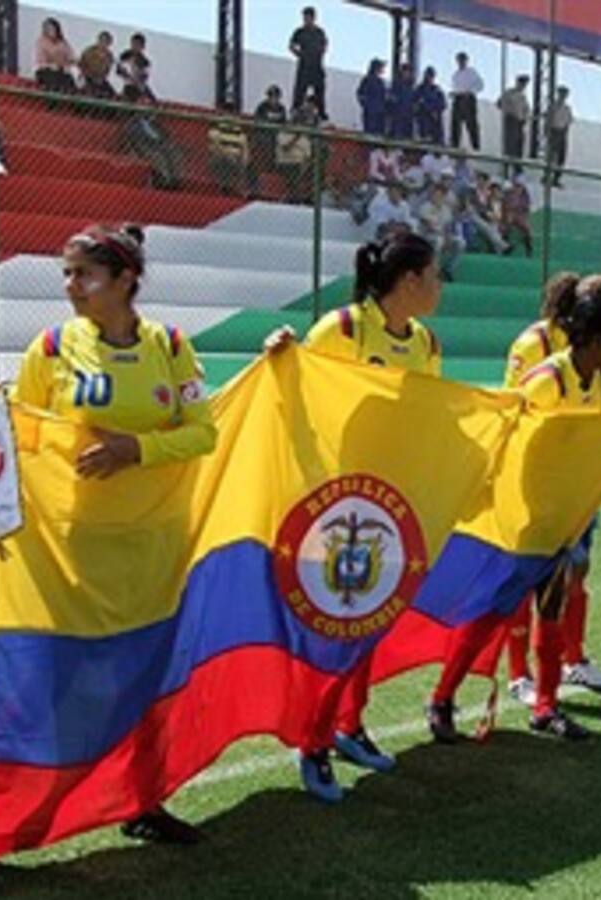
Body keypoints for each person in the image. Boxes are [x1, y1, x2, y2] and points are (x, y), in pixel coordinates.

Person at [0, 224, 217, 866]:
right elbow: (21, 429)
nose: (71, 287)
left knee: (146, 681)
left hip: (152, 551)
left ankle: (144, 804)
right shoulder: (52, 347)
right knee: (47, 689)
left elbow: (203, 433)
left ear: (125, 281)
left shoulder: (171, 347)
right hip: (70, 551)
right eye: (66, 274)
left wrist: (137, 448)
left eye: (84, 275)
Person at [264, 233, 441, 802]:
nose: (440, 287)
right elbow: (299, 397)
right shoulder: (340, 331)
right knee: (330, 627)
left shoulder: (426, 343)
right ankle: (312, 745)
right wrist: (279, 357)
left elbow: (428, 416)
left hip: (388, 506)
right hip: (333, 507)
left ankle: (349, 725)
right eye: (434, 275)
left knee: (369, 620)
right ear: (409, 281)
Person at [428, 275, 601, 743]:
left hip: (564, 521)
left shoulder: (596, 380)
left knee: (553, 612)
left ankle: (545, 706)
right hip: (524, 525)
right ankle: (441, 698)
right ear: (596, 339)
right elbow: (514, 445)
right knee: (489, 614)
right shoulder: (545, 381)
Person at [500, 272, 581, 705]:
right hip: (532, 476)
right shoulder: (534, 345)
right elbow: (514, 404)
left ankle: (573, 657)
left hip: (571, 479)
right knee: (526, 576)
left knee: (573, 570)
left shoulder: (583, 349)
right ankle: (517, 673)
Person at [121, 95, 181, 190]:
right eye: (144, 105)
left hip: (159, 147)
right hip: (143, 147)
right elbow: (133, 140)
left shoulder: (156, 124)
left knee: (175, 152)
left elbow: (166, 137)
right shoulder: (132, 123)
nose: (148, 108)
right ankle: (164, 181)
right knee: (157, 156)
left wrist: (164, 144)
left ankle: (174, 181)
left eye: (149, 106)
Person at [417, 182, 463, 281]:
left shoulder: (446, 209)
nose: (437, 197)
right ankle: (435, 271)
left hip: (441, 235)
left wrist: (448, 238)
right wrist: (444, 236)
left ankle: (448, 270)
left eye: (440, 195)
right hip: (426, 236)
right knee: (438, 241)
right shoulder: (425, 207)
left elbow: (448, 226)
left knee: (460, 243)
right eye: (435, 194)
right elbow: (429, 226)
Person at [290, 6, 328, 119]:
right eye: (304, 17)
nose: (306, 19)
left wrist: (319, 53)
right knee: (300, 90)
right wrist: (300, 54)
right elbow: (291, 45)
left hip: (316, 66)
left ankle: (321, 113)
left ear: (313, 18)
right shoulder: (299, 31)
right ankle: (295, 110)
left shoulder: (319, 32)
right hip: (304, 65)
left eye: (308, 17)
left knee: (319, 91)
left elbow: (325, 45)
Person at [276, 102, 316, 203]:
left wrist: (305, 165)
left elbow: (308, 155)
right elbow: (285, 147)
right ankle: (293, 199)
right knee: (294, 170)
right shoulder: (285, 130)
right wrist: (296, 136)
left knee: (313, 168)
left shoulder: (305, 136)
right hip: (286, 161)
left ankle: (310, 198)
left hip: (301, 163)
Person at [207, 117, 257, 197]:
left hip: (236, 158)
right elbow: (214, 148)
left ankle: (251, 193)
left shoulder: (240, 131)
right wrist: (226, 154)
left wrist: (245, 160)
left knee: (251, 166)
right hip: (220, 157)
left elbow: (245, 148)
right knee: (226, 161)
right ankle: (226, 189)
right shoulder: (216, 128)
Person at [34, 18, 77, 94]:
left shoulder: (63, 42)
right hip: (47, 71)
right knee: (52, 78)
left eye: (51, 28)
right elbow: (40, 61)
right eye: (47, 29)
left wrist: (71, 63)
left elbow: (71, 57)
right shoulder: (41, 42)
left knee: (69, 80)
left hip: (61, 71)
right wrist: (51, 66)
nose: (49, 30)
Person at [450, 52, 483, 151]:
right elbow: (456, 88)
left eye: (463, 60)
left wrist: (470, 92)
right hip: (458, 98)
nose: (461, 62)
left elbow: (480, 85)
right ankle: (454, 146)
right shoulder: (455, 75)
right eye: (459, 60)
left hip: (468, 99)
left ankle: (476, 147)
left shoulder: (472, 72)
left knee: (471, 124)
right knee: (455, 124)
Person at [497, 74, 530, 173]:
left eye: (524, 84)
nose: (523, 86)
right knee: (509, 144)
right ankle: (505, 167)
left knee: (519, 145)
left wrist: (524, 117)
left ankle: (517, 167)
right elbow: (499, 103)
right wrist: (509, 110)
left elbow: (526, 109)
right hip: (511, 119)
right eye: (521, 83)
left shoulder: (523, 97)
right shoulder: (509, 93)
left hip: (519, 122)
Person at [253, 84, 289, 173]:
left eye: (276, 96)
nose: (274, 99)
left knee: (285, 141)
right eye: (271, 96)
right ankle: (269, 168)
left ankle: (281, 168)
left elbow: (284, 123)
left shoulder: (281, 108)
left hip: (278, 133)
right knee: (269, 141)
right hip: (264, 133)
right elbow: (257, 122)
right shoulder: (262, 107)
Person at [545, 85, 573, 187]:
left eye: (565, 94)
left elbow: (568, 122)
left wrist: (565, 133)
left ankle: (557, 178)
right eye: (561, 94)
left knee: (561, 157)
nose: (563, 96)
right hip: (554, 131)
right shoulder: (553, 106)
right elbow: (548, 120)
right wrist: (547, 132)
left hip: (562, 132)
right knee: (551, 156)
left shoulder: (567, 108)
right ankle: (547, 176)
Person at [117, 32, 155, 103]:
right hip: (128, 86)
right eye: (134, 44)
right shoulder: (124, 56)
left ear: (143, 47)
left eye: (138, 45)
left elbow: (145, 76)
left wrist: (139, 81)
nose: (135, 46)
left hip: (139, 86)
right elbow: (119, 71)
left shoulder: (145, 61)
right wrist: (129, 77)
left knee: (152, 101)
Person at [78, 31, 116, 100]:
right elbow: (81, 65)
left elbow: (107, 71)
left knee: (112, 95)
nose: (103, 44)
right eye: (102, 41)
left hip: (101, 80)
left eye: (106, 42)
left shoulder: (109, 56)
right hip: (87, 78)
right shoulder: (89, 51)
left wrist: (101, 78)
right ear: (98, 40)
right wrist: (90, 76)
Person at [414, 66, 446, 145]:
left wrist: (436, 111)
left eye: (432, 76)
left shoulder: (437, 89)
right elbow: (416, 103)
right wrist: (429, 109)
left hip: (436, 124)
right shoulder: (419, 89)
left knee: (437, 141)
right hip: (424, 122)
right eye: (428, 75)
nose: (430, 78)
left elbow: (443, 104)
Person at [502, 175, 533, 256]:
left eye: (519, 186)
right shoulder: (508, 194)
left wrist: (524, 216)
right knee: (508, 222)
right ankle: (506, 246)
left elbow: (526, 209)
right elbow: (505, 206)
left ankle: (528, 248)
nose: (518, 188)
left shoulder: (525, 196)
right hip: (509, 214)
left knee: (526, 227)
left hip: (520, 215)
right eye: (516, 185)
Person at [357, 58, 388, 137]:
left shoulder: (380, 82)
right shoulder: (368, 80)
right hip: (371, 114)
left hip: (380, 114)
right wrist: (368, 105)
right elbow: (361, 94)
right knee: (370, 134)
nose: (382, 69)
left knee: (378, 135)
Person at [388, 63, 416, 141]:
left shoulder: (411, 86)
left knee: (407, 137)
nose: (407, 74)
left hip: (408, 116)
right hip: (398, 116)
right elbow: (392, 99)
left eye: (409, 72)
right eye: (406, 71)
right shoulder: (397, 84)